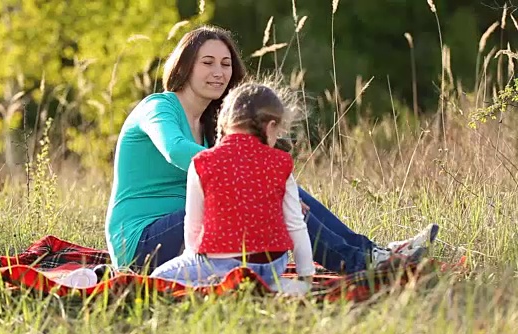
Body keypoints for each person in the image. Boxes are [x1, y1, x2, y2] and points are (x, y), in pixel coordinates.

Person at [104, 25, 438, 275]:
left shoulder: (212, 124)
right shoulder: (157, 107)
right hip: (141, 244)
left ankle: (371, 253)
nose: (219, 72)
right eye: (207, 62)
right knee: (271, 192)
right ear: (185, 66)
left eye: (225, 63)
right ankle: (362, 263)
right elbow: (175, 151)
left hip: (190, 231)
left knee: (281, 192)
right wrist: (253, 172)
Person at [149, 82, 315, 287]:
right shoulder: (281, 163)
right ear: (270, 126)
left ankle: (215, 286)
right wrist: (306, 276)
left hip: (221, 263)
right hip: (273, 264)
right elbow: (296, 225)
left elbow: (193, 227)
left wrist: (193, 259)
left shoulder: (203, 162)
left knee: (157, 278)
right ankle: (275, 286)